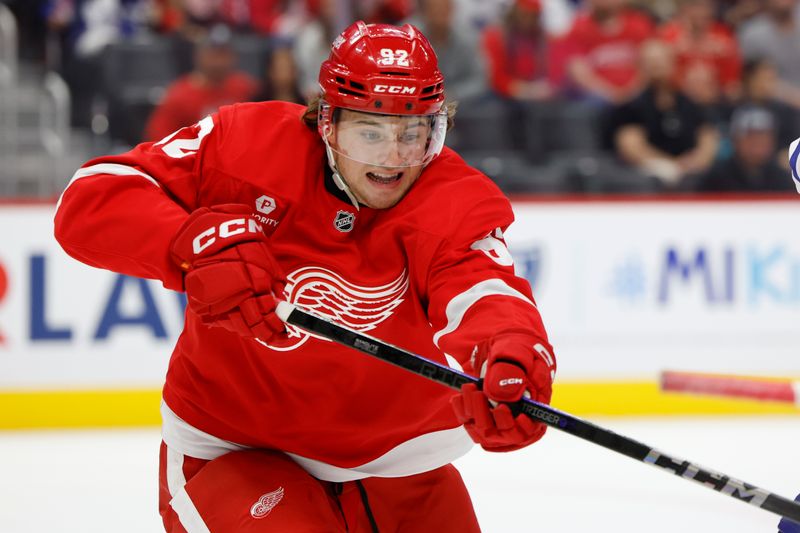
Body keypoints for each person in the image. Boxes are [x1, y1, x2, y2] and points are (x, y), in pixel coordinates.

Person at [54, 21, 556, 532]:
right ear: (328, 123)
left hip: (404, 467)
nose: (395, 157)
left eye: (414, 132)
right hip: (239, 450)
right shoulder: (245, 146)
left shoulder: (454, 201)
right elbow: (90, 199)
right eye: (371, 132)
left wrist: (513, 353)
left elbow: (486, 293)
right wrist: (189, 243)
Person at [608, 39, 719, 188]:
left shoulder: (688, 102)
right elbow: (630, 145)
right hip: (649, 173)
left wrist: (697, 160)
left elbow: (707, 136)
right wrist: (669, 165)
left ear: (672, 63)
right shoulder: (631, 106)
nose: (657, 67)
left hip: (690, 171)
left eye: (661, 61)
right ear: (640, 66)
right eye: (651, 62)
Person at [143, 24, 258, 142]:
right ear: (198, 55)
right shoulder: (178, 96)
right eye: (213, 54)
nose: (219, 62)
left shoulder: (245, 88)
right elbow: (158, 141)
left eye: (224, 54)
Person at [695, 105, 794, 191]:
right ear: (735, 140)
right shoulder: (715, 178)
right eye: (751, 136)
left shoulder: (783, 179)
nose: (758, 143)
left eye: (764, 136)